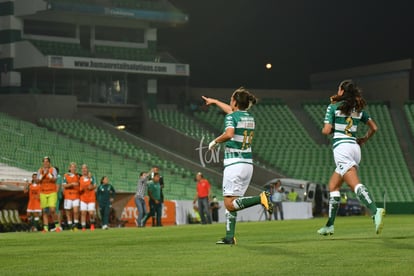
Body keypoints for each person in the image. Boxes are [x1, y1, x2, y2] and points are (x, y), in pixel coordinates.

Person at [202, 87, 273, 245]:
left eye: (231, 99)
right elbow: (231, 112)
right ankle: (229, 236)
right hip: (247, 164)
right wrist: (214, 102)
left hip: (234, 163)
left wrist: (214, 142)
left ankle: (260, 198)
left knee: (228, 203)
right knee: (232, 201)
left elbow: (229, 134)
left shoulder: (232, 117)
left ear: (235, 101)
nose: (229, 102)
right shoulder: (249, 117)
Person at [317, 80, 385, 236]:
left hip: (342, 148)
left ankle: (375, 211)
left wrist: (333, 125)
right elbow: (374, 128)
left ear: (341, 91)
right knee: (333, 186)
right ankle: (330, 225)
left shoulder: (333, 107)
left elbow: (326, 131)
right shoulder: (357, 109)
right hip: (355, 147)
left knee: (355, 184)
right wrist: (364, 139)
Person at [37, 156, 59, 232]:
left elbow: (55, 179)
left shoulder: (53, 170)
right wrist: (43, 175)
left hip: (52, 192)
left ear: (49, 163)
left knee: (52, 210)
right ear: (43, 163)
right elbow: (37, 181)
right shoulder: (40, 170)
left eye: (47, 162)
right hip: (43, 192)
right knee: (45, 211)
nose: (45, 163)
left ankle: (57, 226)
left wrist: (49, 175)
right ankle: (45, 228)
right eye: (44, 161)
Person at [62, 162, 80, 231]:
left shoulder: (78, 176)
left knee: (76, 211)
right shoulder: (66, 175)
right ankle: (70, 226)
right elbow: (64, 185)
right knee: (68, 212)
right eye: (72, 167)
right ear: (69, 168)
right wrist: (72, 184)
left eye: (74, 167)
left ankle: (75, 226)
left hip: (76, 196)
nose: (73, 168)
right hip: (68, 196)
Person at [79, 164, 97, 231]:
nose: (84, 170)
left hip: (91, 198)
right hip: (83, 198)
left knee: (91, 213)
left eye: (85, 168)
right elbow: (80, 188)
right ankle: (83, 227)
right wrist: (81, 190)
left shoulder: (92, 177)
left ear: (87, 169)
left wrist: (91, 187)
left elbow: (95, 186)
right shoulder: (80, 178)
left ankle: (92, 224)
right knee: (83, 213)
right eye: (83, 168)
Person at [51, 167, 63, 232]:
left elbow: (57, 189)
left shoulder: (58, 177)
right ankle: (57, 226)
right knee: (54, 211)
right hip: (54, 196)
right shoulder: (54, 178)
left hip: (56, 196)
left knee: (56, 211)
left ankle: (59, 226)